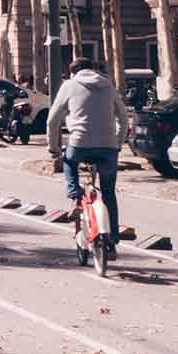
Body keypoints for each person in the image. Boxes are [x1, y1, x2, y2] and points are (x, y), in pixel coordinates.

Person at [47, 58, 129, 253]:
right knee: (108, 192)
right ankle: (113, 239)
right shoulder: (108, 85)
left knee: (69, 163)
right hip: (108, 147)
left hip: (79, 144)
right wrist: (118, 143)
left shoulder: (69, 85)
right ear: (93, 69)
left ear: (72, 72)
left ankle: (75, 198)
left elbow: (52, 120)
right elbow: (124, 118)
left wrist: (54, 149)